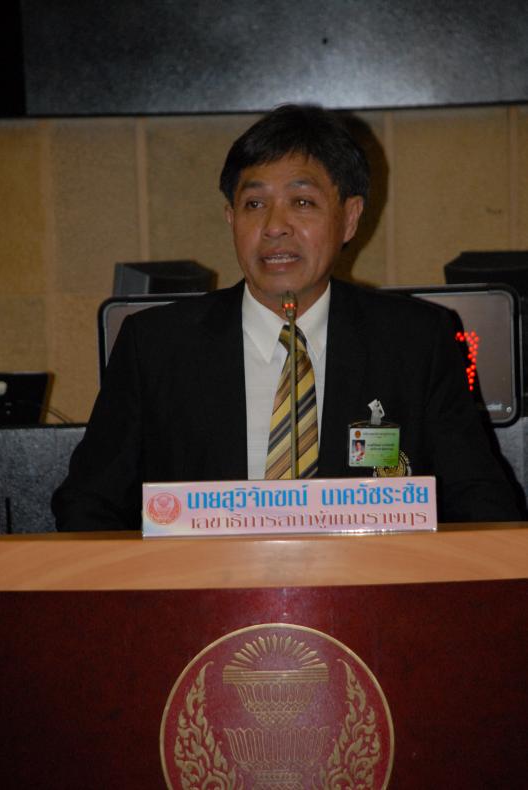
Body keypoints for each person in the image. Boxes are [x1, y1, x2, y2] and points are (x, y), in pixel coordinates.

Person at [52, 104, 522, 530]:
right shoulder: (155, 346)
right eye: (254, 204)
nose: (274, 227)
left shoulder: (417, 342)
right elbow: (87, 505)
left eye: (302, 202)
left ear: (350, 217)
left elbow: (484, 505)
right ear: (231, 218)